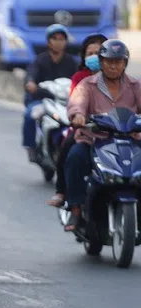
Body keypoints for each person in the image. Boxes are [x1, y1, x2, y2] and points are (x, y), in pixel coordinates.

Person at [64, 39, 141, 232]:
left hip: (130, 141)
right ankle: (75, 208)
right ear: (101, 62)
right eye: (108, 61)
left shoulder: (135, 85)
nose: (113, 66)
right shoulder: (87, 84)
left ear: (125, 63)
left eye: (118, 61)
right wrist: (79, 115)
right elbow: (77, 102)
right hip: (94, 139)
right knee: (74, 158)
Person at [47, 33, 107, 207]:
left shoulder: (125, 82)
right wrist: (79, 116)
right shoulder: (81, 79)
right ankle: (64, 193)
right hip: (88, 128)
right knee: (69, 149)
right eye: (90, 53)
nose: (94, 57)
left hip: (116, 130)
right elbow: (75, 102)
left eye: (98, 52)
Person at [23, 24, 77, 162]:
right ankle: (31, 147)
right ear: (49, 41)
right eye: (55, 38)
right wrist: (31, 84)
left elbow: (79, 78)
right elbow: (31, 76)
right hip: (43, 100)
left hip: (65, 101)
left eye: (62, 39)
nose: (58, 42)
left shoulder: (71, 61)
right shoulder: (40, 60)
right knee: (30, 115)